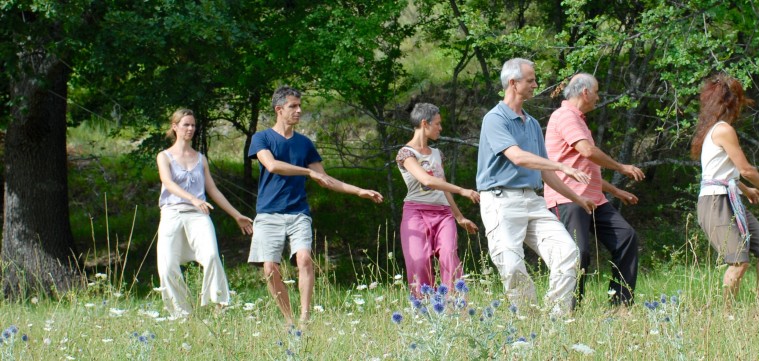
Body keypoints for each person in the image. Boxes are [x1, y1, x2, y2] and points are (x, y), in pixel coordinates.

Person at [248, 86, 384, 326]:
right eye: (293, 106)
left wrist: (358, 190)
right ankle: (288, 319)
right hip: (268, 214)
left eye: (300, 106)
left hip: (298, 212)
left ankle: (304, 317)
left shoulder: (304, 143)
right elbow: (272, 165)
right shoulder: (262, 138)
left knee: (304, 259)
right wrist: (307, 173)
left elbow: (325, 178)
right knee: (269, 268)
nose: (299, 111)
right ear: (279, 109)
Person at [476, 58, 596, 315]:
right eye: (530, 80)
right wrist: (562, 166)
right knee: (511, 265)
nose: (535, 85)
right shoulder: (494, 119)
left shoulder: (530, 123)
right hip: (500, 201)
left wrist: (577, 198)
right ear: (513, 83)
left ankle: (555, 319)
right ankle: (527, 323)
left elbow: (543, 171)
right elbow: (517, 156)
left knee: (568, 253)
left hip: (532, 200)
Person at [690, 74, 759, 301]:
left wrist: (746, 190)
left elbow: (724, 172)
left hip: (729, 197)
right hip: (715, 202)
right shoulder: (722, 130)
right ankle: (726, 313)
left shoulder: (715, 129)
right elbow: (746, 169)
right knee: (739, 262)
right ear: (732, 101)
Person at [544, 73, 644, 306]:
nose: (598, 97)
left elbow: (584, 166)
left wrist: (615, 191)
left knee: (626, 238)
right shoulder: (565, 116)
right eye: (597, 92)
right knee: (578, 254)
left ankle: (620, 305)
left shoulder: (578, 119)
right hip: (569, 197)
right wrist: (621, 167)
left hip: (594, 199)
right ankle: (569, 309)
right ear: (585, 92)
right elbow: (588, 151)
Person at [156, 108, 254, 318]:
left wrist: (236, 215)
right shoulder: (164, 156)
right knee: (166, 267)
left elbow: (213, 190)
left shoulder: (200, 159)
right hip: (172, 213)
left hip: (198, 215)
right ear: (175, 127)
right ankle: (181, 314)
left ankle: (219, 304)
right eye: (186, 125)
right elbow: (167, 182)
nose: (190, 129)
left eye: (193, 125)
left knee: (210, 255)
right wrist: (192, 198)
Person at [396, 102, 480, 296]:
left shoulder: (437, 154)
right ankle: (424, 309)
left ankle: (454, 308)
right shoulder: (406, 153)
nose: (440, 128)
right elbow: (427, 180)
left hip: (443, 214)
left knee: (450, 257)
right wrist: (462, 190)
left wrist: (459, 217)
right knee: (418, 261)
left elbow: (442, 186)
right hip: (416, 213)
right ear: (425, 123)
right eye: (438, 124)